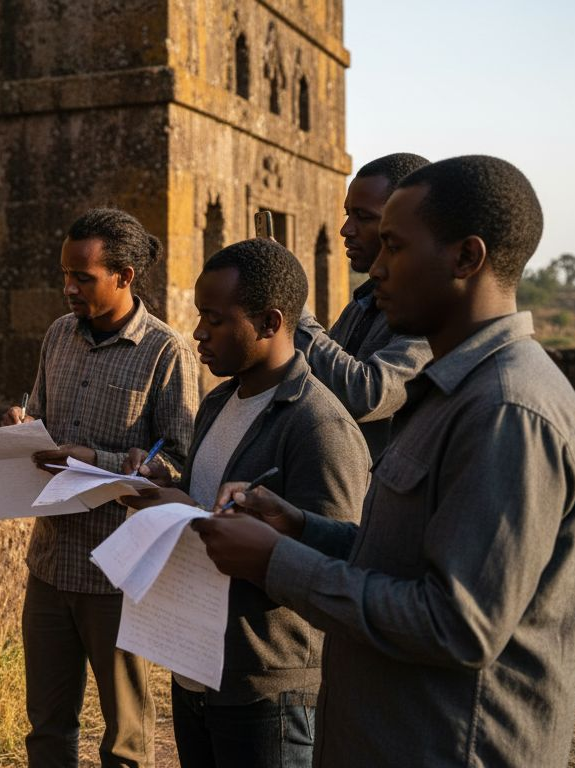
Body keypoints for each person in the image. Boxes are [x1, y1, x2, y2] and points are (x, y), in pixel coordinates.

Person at [192, 156, 575, 767]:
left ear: (466, 258)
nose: (375, 267)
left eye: (394, 247)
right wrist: (301, 529)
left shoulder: (508, 410)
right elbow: (403, 562)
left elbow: (455, 624)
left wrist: (277, 562)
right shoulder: (448, 392)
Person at [122, 238, 369, 768]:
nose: (198, 333)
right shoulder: (218, 400)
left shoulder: (318, 427)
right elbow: (210, 509)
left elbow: (336, 565)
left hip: (265, 689)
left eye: (214, 319)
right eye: (198, 316)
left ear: (270, 321)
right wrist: (167, 492)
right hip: (196, 668)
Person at [1, 208, 196, 768]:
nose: (68, 288)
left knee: (126, 739)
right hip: (50, 563)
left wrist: (98, 460)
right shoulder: (59, 335)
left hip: (118, 572)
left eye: (82, 278)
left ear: (125, 276)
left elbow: (180, 464)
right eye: (65, 273)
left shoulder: (166, 353)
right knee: (46, 727)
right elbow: (43, 420)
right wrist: (23, 427)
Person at [295, 153, 433, 458]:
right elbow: (316, 380)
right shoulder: (362, 303)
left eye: (364, 217)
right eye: (347, 214)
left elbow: (367, 395)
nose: (346, 230)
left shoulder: (426, 312)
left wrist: (294, 310)